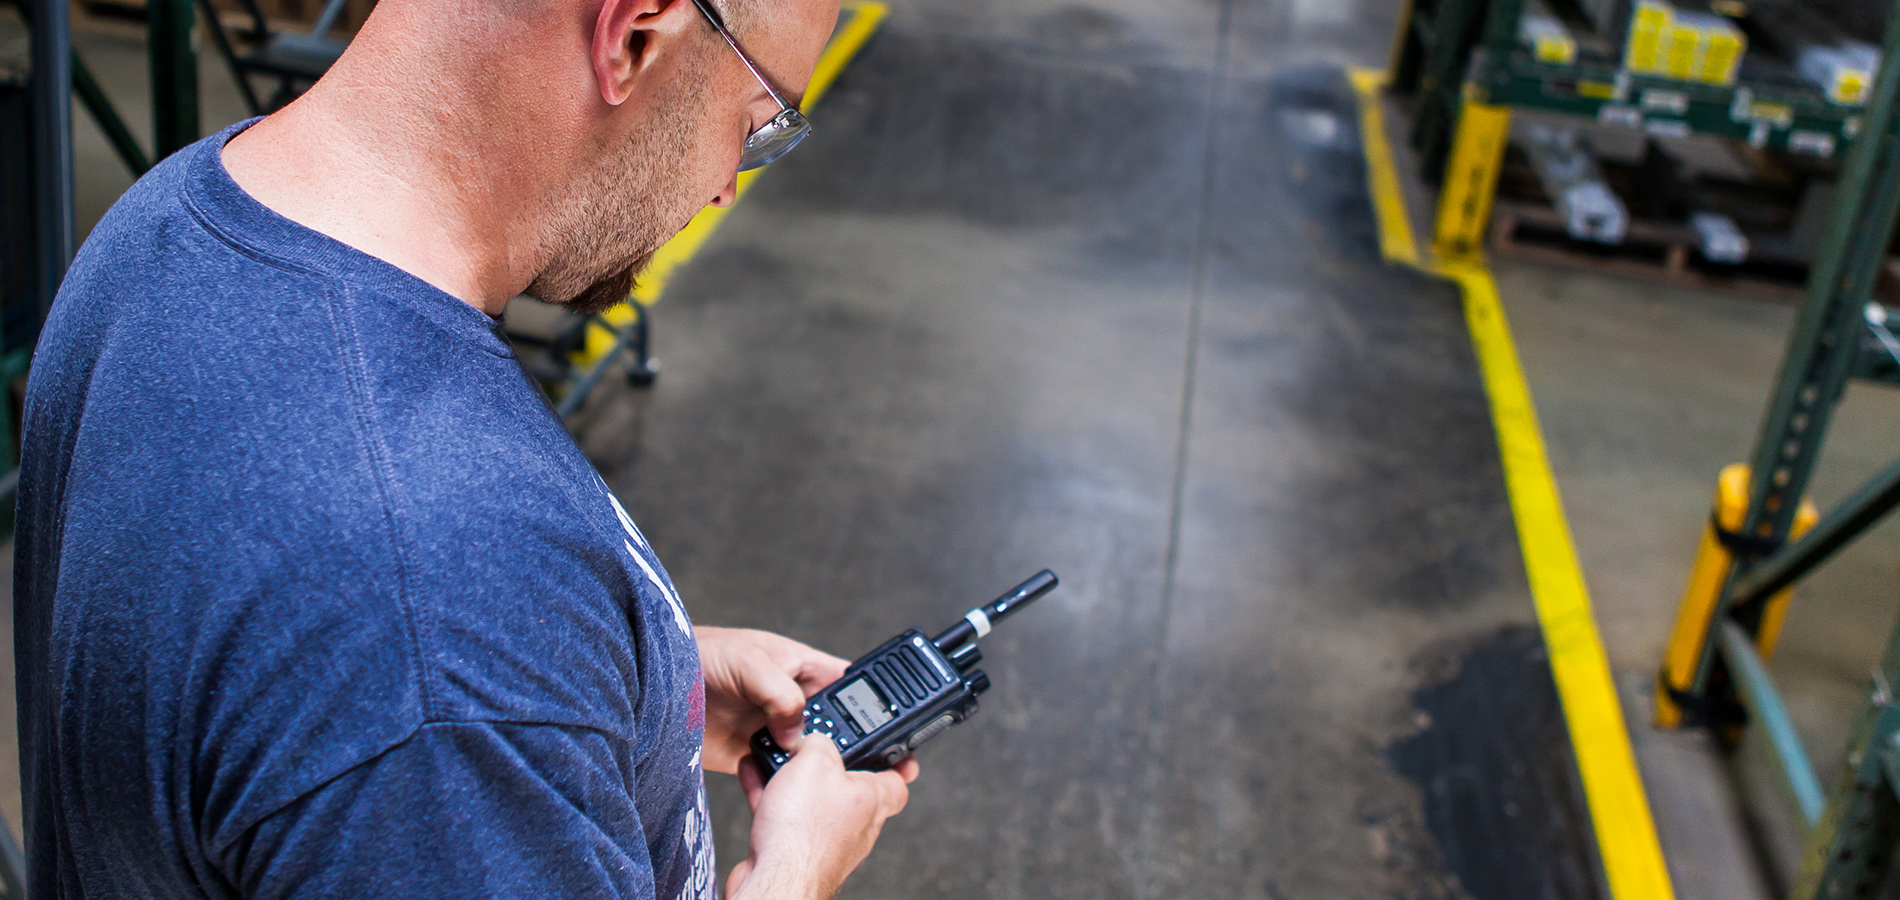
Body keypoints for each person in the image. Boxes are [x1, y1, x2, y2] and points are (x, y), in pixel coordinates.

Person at [11, 0, 915, 894]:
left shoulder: (175, 217)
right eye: (757, 121)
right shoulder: (442, 613)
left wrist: (631, 694)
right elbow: (422, 657)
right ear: (635, 36)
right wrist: (795, 871)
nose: (726, 185)